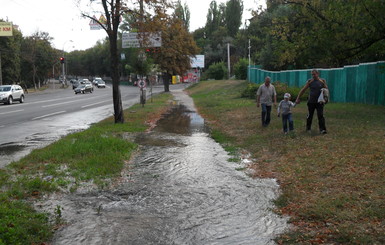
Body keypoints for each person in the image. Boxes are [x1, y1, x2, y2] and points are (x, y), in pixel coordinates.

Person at [295, 69, 328, 134]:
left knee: (320, 115)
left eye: (314, 74)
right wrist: (298, 98)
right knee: (310, 115)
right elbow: (303, 90)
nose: (313, 76)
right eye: (312, 74)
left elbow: (326, 90)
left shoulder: (322, 81)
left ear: (317, 74)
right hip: (311, 102)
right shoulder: (310, 81)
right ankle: (308, 128)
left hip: (319, 102)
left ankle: (322, 129)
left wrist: (326, 98)